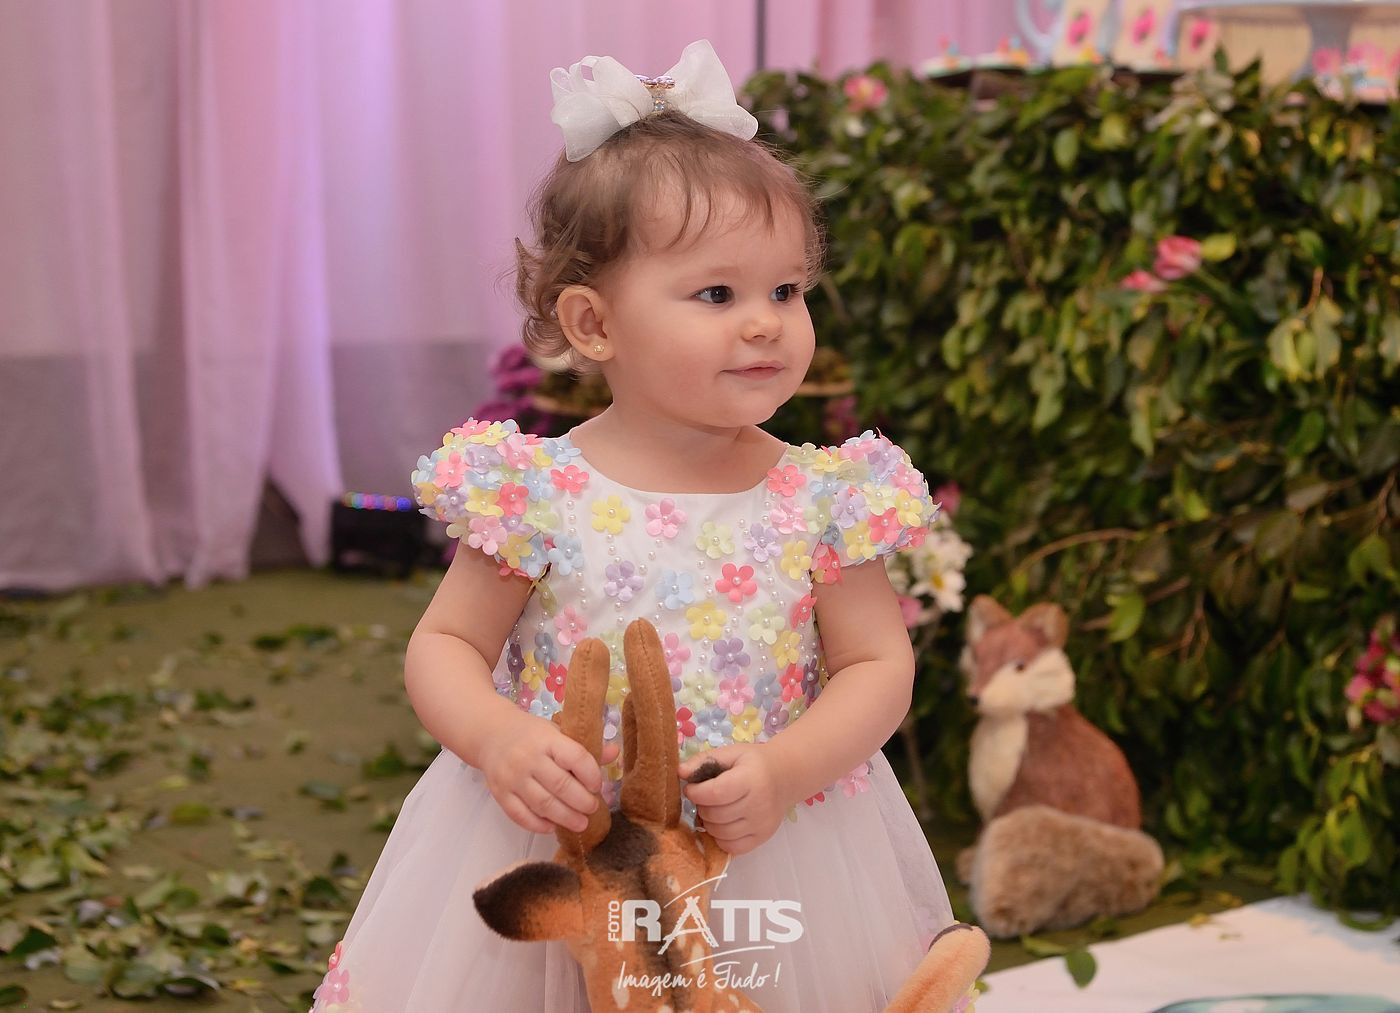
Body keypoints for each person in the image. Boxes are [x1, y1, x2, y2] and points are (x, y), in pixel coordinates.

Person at [310, 39, 953, 1013]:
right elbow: (445, 645)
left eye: (786, 289)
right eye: (717, 293)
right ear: (594, 323)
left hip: (765, 847)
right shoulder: (536, 491)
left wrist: (785, 769)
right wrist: (498, 738)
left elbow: (876, 663)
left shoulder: (822, 497)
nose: (766, 322)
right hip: (563, 840)